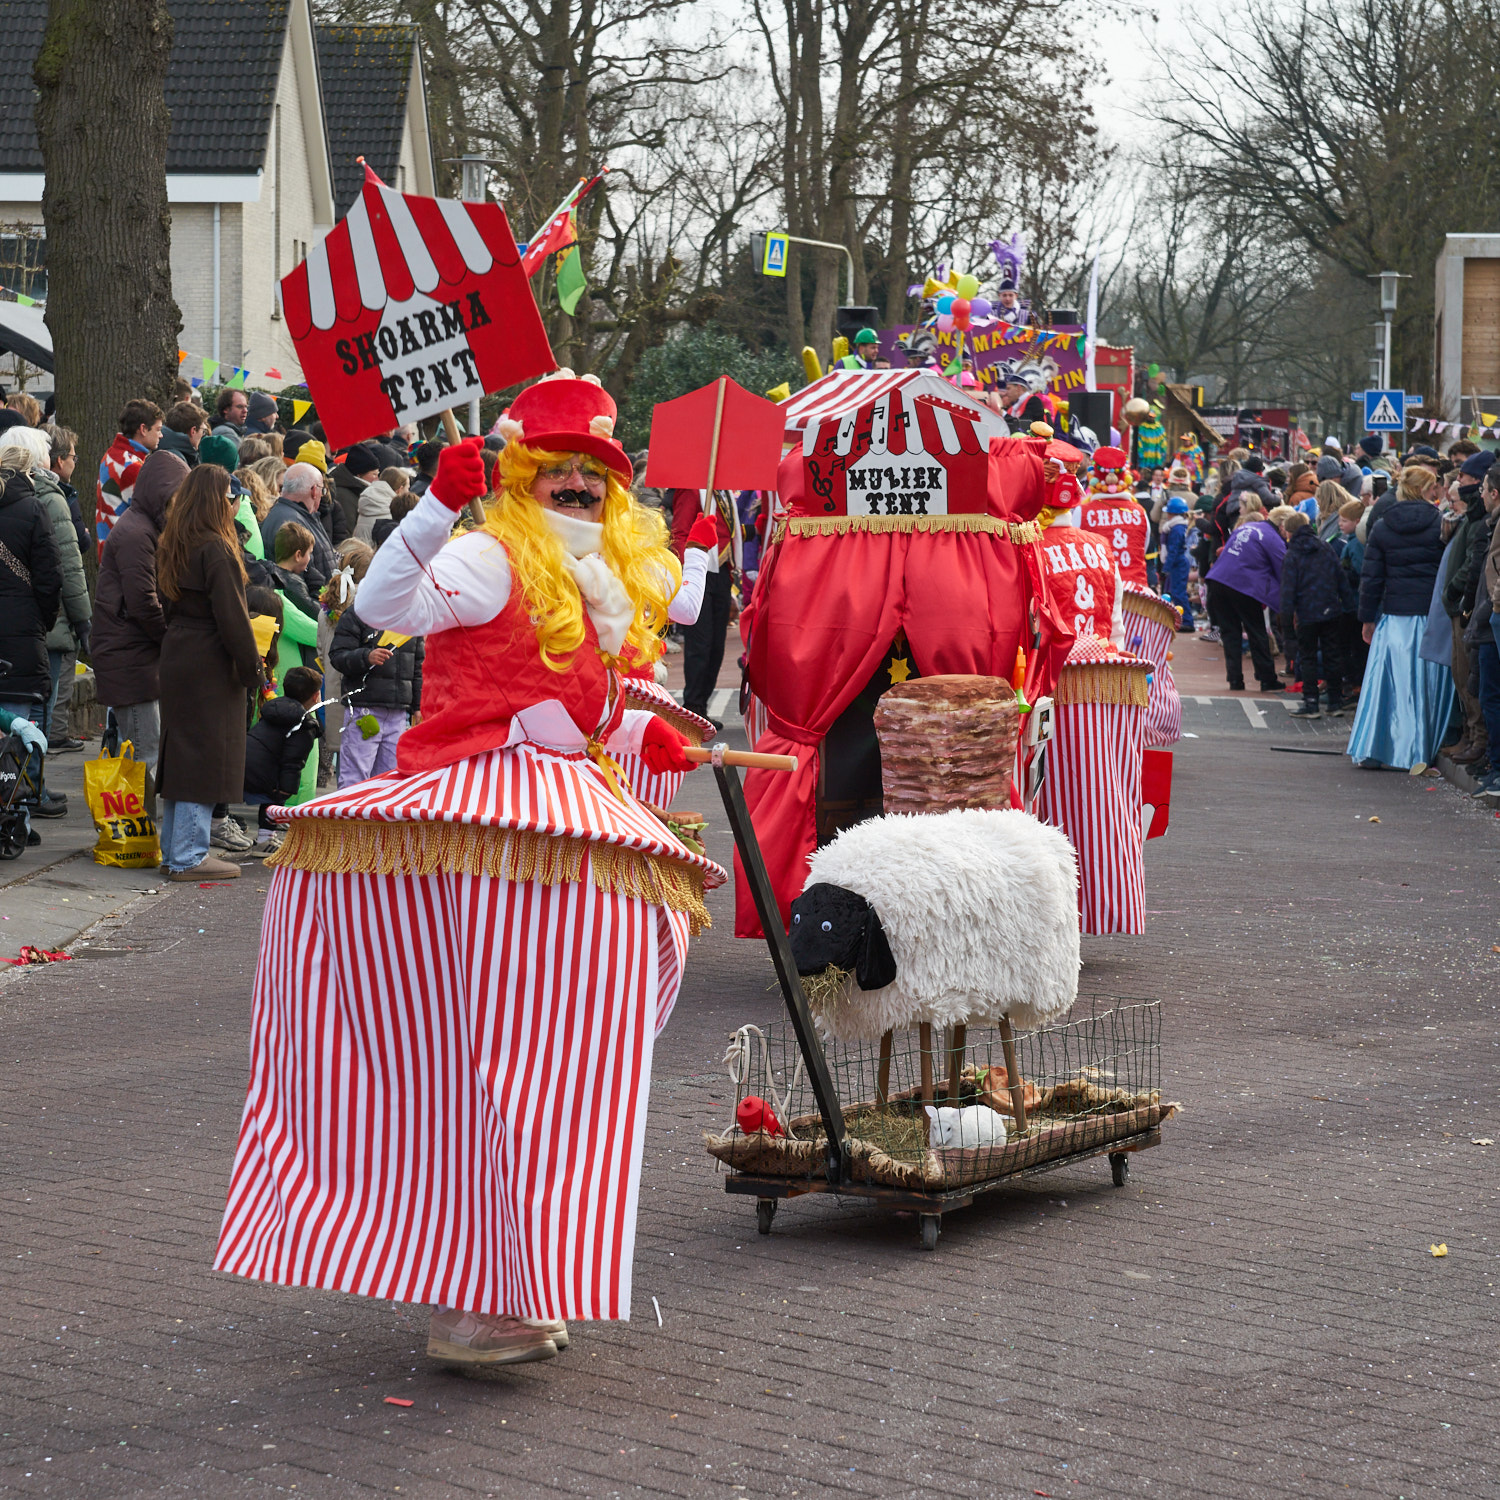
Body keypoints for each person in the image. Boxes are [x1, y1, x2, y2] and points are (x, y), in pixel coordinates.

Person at [216, 375, 724, 1369]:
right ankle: (474, 1297)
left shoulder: (593, 574)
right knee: (492, 1069)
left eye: (595, 475)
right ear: (522, 475)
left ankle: (521, 1282)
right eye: (559, 470)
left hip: (562, 818)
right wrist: (441, 503)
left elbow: (566, 707)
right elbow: (381, 605)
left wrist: (642, 735)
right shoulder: (491, 555)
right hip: (488, 827)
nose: (579, 487)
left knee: (560, 1070)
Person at [154, 464, 263, 881]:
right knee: (204, 754)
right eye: (230, 497)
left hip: (179, 651)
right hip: (209, 660)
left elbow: (166, 604)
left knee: (182, 752)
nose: (234, 505)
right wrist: (253, 671)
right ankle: (188, 854)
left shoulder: (174, 541)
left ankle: (174, 851)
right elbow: (232, 617)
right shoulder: (216, 547)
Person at [1347, 463, 1452, 772]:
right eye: (1434, 487)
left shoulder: (1382, 526)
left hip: (1394, 616)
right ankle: (1416, 749)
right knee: (1421, 688)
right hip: (1429, 616)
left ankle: (1376, 748)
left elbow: (1372, 577)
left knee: (1387, 687)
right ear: (1425, 490)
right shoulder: (1441, 524)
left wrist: (1367, 618)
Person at [14, 427, 93, 752]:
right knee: (40, 708)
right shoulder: (50, 499)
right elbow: (67, 568)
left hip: (16, 621)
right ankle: (32, 776)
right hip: (46, 622)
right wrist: (82, 619)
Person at [0, 436, 66, 819]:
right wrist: (43, 619)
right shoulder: (33, 509)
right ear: (28, 472)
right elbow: (50, 577)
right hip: (21, 632)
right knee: (18, 731)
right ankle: (15, 819)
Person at [328, 595, 424, 788]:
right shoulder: (359, 613)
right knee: (355, 778)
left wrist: (418, 706)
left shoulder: (412, 618)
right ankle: (350, 809)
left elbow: (418, 667)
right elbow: (337, 656)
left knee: (389, 781)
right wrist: (366, 656)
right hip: (364, 709)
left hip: (398, 714)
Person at [1439, 450, 1497, 766]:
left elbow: (1477, 566)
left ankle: (1480, 740)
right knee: (1463, 674)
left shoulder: (1481, 521)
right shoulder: (1474, 517)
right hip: (1465, 606)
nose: (1458, 482)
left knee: (1473, 677)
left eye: (1463, 477)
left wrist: (1456, 593)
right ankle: (1472, 736)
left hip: (1472, 608)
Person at [669, 486, 736, 723]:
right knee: (700, 644)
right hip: (698, 571)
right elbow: (680, 532)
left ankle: (702, 706)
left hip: (721, 572)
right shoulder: (691, 489)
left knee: (716, 646)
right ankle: (693, 705)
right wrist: (684, 575)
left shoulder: (725, 491)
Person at [1205, 499, 1287, 692]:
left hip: (1218, 580)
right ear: (1282, 525)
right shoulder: (1271, 536)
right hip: (1242, 585)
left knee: (1230, 633)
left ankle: (1235, 680)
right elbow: (1283, 568)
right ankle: (1266, 678)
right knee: (1256, 631)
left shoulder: (1245, 528)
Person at [1279, 511, 1354, 718]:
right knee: (1333, 655)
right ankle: (1335, 702)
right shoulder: (1325, 547)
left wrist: (1287, 624)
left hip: (1306, 612)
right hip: (1331, 609)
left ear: (1290, 532)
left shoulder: (1292, 555)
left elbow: (1287, 591)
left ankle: (1310, 703)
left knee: (1308, 657)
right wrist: (1348, 607)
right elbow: (1340, 577)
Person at [242, 665, 323, 852]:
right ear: (316, 696)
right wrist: (287, 789)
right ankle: (265, 839)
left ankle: (218, 821)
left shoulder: (274, 708)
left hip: (243, 762)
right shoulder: (304, 724)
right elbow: (293, 761)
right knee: (276, 792)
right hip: (262, 771)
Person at [97, 398, 163, 551]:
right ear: (143, 429)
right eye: (158, 429)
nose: (161, 435)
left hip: (110, 546)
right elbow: (152, 513)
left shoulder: (112, 454)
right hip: (127, 550)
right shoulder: (132, 466)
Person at [260, 463, 337, 591]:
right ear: (314, 491)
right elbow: (298, 582)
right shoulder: (293, 525)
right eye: (322, 490)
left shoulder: (285, 514)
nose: (322, 495)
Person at [330, 442, 380, 535]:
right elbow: (346, 531)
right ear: (359, 474)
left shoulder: (357, 489)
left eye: (378, 473)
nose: (377, 478)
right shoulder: (343, 496)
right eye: (374, 474)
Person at [1160, 494, 1195, 629]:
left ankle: (1187, 621)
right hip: (1179, 562)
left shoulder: (1176, 528)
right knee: (1177, 592)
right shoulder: (1178, 526)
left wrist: (1166, 568)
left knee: (1178, 593)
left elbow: (1173, 550)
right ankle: (1185, 620)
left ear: (1172, 513)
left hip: (1178, 563)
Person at [353, 465, 407, 543]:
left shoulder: (367, 499)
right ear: (400, 489)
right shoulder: (390, 512)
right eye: (407, 488)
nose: (408, 492)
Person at [160, 401, 209, 468]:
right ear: (193, 431)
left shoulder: (161, 447)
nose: (203, 435)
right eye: (203, 431)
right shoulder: (176, 461)